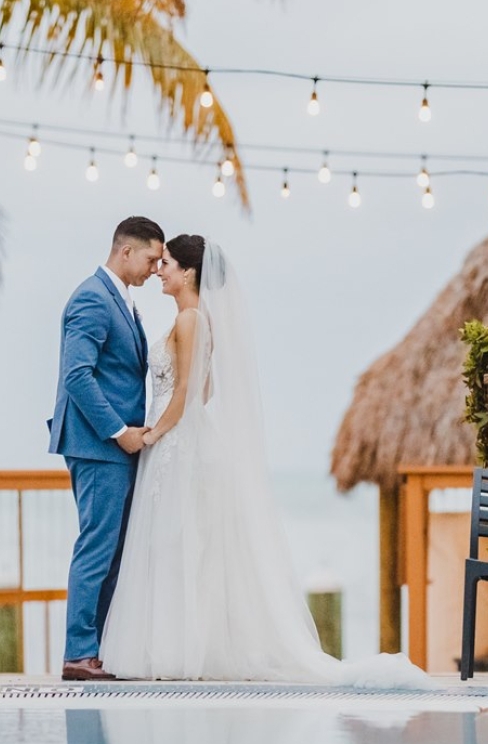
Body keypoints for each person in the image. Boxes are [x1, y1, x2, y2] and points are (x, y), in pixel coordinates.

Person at [100, 235, 426, 686]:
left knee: (178, 546)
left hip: (173, 443)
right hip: (179, 441)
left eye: (168, 263)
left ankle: (179, 650)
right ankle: (179, 646)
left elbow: (188, 393)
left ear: (190, 272)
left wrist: (155, 432)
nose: (160, 271)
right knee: (176, 546)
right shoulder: (193, 319)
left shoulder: (192, 320)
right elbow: (205, 388)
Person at [49, 217, 163, 682]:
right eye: (152, 259)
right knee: (97, 547)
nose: (156, 270)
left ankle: (99, 649)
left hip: (115, 447)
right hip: (99, 447)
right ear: (126, 252)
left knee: (113, 550)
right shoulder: (93, 299)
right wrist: (120, 431)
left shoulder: (121, 299)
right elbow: (77, 375)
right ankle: (79, 653)